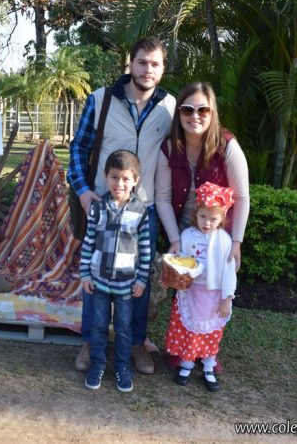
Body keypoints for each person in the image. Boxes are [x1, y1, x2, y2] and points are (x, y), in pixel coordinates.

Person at [68, 37, 176, 375]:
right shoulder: (100, 100)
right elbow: (78, 148)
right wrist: (84, 192)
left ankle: (136, 345)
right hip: (104, 207)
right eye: (142, 62)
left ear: (163, 68)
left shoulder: (170, 107)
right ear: (130, 63)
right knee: (96, 277)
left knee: (140, 280)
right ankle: (91, 343)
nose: (147, 69)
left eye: (155, 64)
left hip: (145, 210)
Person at [155, 81, 250, 373]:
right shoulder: (169, 147)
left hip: (217, 233)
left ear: (212, 113)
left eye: (202, 110)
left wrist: (236, 242)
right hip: (184, 228)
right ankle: (184, 348)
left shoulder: (227, 145)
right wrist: (174, 239)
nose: (194, 116)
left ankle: (208, 351)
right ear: (179, 113)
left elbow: (242, 197)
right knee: (184, 290)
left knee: (214, 292)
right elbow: (162, 197)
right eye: (187, 109)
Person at [79, 150, 151, 392]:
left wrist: (142, 279)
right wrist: (85, 274)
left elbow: (145, 249)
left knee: (123, 328)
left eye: (125, 178)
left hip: (126, 285)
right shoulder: (97, 209)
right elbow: (88, 242)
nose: (119, 183)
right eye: (114, 177)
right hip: (99, 281)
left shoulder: (141, 212)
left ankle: (122, 366)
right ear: (106, 176)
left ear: (135, 180)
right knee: (99, 325)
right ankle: (98, 364)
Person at [164, 181, 237, 392]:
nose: (207, 222)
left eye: (213, 219)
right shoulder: (187, 236)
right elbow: (182, 260)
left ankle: (208, 366)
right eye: (203, 216)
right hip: (191, 291)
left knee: (211, 331)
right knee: (190, 330)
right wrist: (174, 270)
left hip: (213, 295)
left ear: (222, 219)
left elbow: (229, 271)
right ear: (196, 213)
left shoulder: (224, 240)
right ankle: (186, 363)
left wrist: (227, 298)